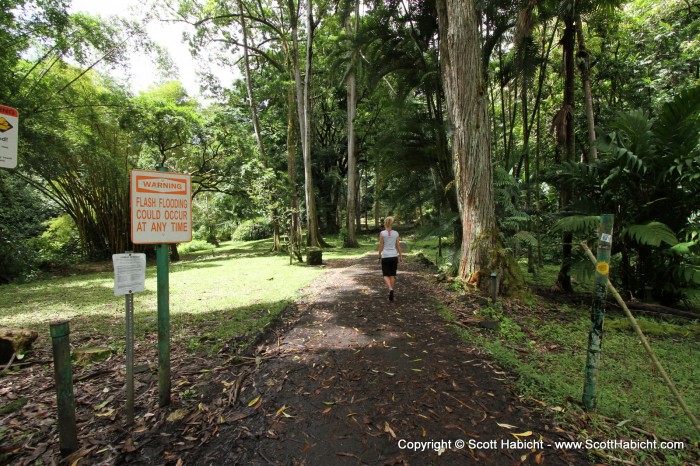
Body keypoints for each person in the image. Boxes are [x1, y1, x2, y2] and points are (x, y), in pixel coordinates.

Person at [378, 216, 403, 301]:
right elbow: (398, 245)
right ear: (391, 224)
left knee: (385, 275)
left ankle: (390, 289)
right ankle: (391, 290)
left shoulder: (382, 233)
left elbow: (381, 245)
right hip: (394, 256)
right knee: (392, 274)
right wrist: (401, 255)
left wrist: (379, 256)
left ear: (385, 224)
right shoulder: (396, 233)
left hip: (385, 256)